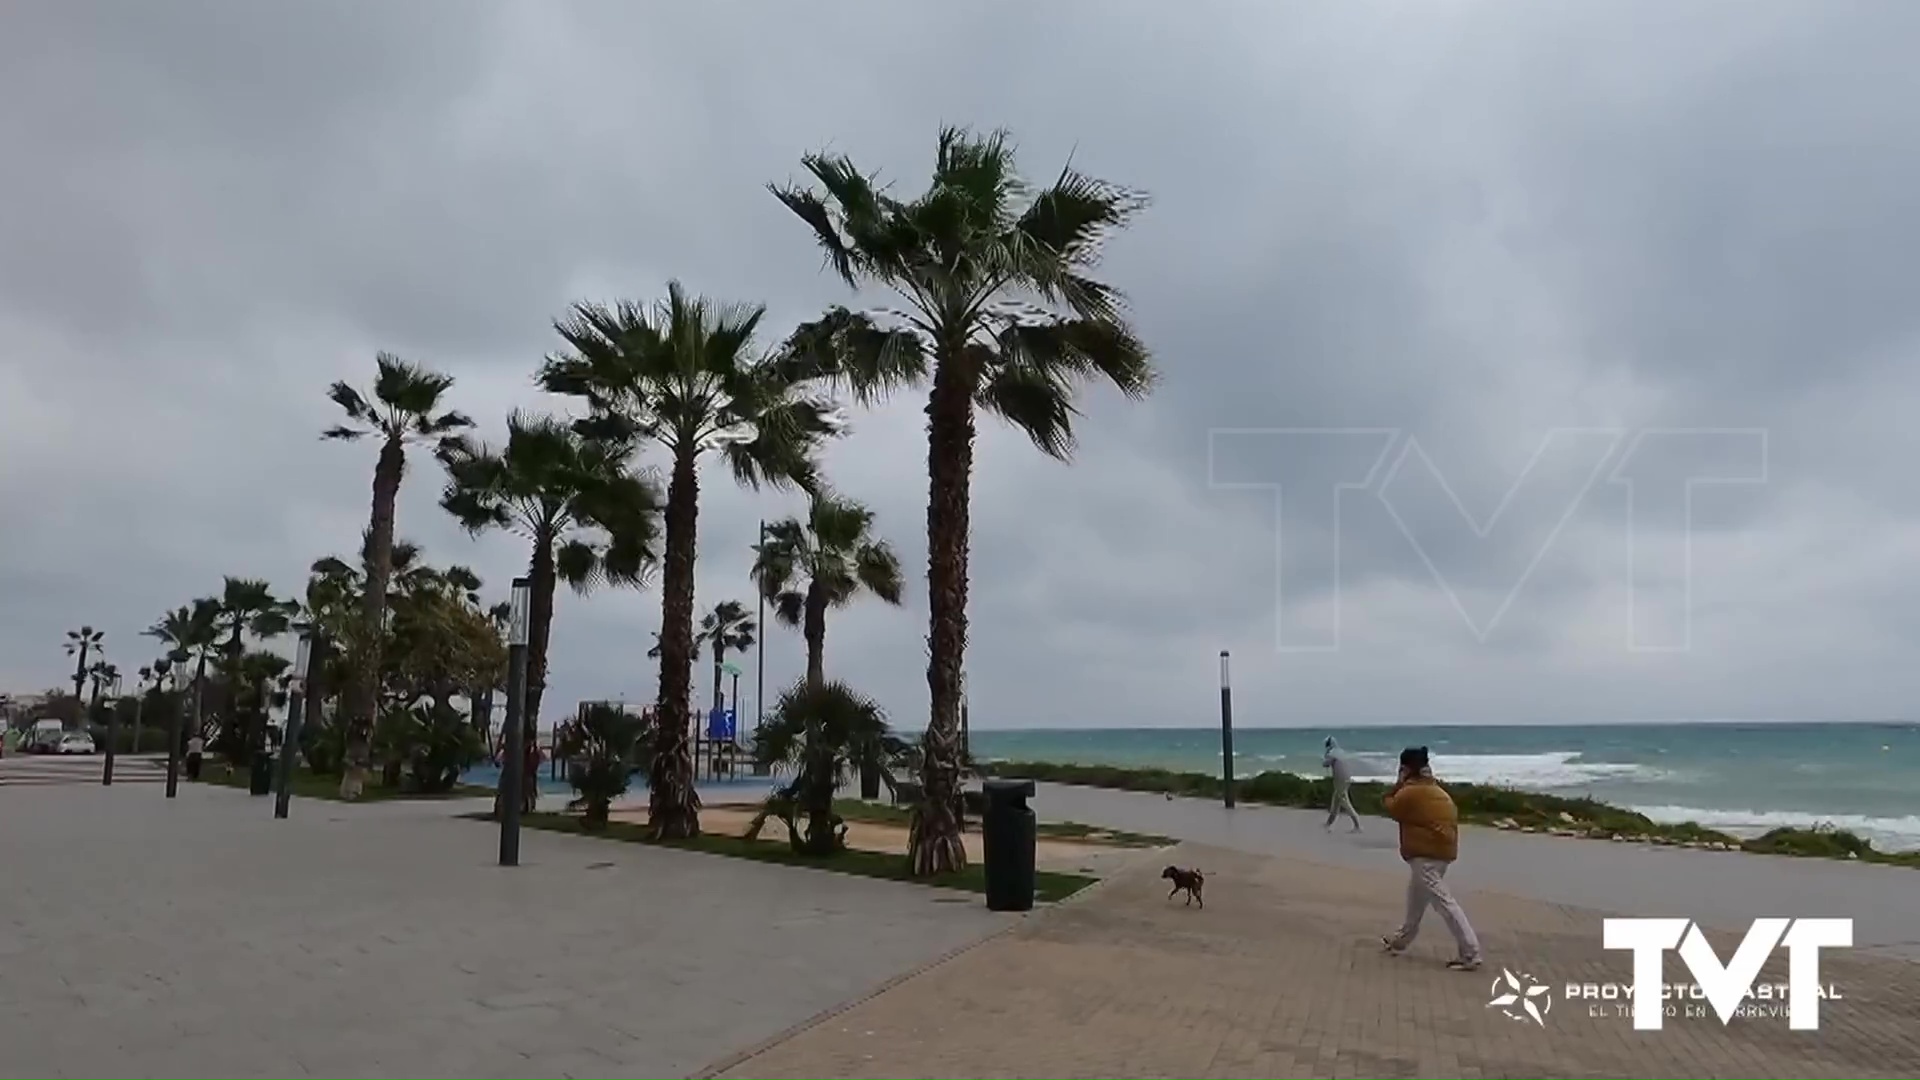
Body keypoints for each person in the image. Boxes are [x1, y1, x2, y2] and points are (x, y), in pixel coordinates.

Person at [1381, 746, 1481, 971]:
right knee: (1416, 899)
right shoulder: (1434, 789)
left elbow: (1391, 805)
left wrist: (1399, 782)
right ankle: (1400, 941)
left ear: (1406, 768)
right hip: (1441, 852)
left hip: (1425, 855)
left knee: (1443, 902)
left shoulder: (1411, 791)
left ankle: (1470, 952)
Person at [1322, 736, 1362, 833]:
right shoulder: (1341, 752)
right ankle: (1329, 823)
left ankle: (1357, 825)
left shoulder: (1332, 753)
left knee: (1344, 802)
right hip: (1346, 779)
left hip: (1340, 781)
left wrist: (1326, 754)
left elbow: (1325, 764)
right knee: (1336, 801)